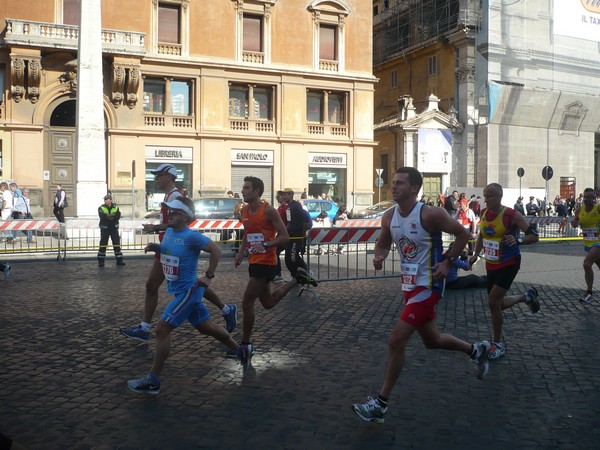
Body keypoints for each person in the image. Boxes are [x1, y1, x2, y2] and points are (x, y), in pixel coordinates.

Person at [351, 167, 491, 424]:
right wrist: (379, 254)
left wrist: (448, 262)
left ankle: (380, 404)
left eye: (400, 183)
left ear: (414, 188)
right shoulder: (389, 216)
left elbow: (463, 234)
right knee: (432, 340)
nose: (393, 187)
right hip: (409, 285)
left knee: (396, 340)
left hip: (429, 286)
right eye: (393, 182)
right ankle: (476, 350)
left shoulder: (430, 214)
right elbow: (383, 241)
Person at [127, 196, 240, 395]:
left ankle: (153, 380)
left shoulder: (192, 237)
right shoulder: (170, 231)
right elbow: (171, 250)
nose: (170, 214)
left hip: (189, 293)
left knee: (162, 329)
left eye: (175, 212)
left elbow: (216, 250)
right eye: (170, 211)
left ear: (186, 216)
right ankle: (240, 350)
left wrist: (208, 276)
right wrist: (157, 248)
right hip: (180, 291)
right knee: (207, 328)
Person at [120, 163, 238, 342]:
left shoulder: (176, 196)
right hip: (167, 246)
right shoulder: (169, 195)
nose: (156, 178)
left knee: (155, 286)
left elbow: (186, 220)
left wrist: (157, 227)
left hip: (173, 247)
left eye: (159, 175)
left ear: (170, 177)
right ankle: (226, 310)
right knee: (192, 286)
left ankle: (146, 328)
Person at [233, 176, 318, 367]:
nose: (243, 190)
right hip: (254, 261)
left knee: (247, 301)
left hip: (267, 262)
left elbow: (285, 237)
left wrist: (267, 243)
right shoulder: (245, 210)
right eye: (243, 187)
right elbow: (247, 234)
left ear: (256, 191)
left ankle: (246, 344)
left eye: (246, 188)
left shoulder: (268, 210)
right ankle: (298, 278)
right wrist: (240, 253)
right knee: (269, 302)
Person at [468, 183, 540, 360]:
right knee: (497, 305)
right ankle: (525, 297)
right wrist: (475, 254)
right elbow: (482, 236)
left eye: (490, 196)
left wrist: (518, 240)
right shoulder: (484, 213)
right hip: (491, 264)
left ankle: (497, 343)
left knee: (493, 302)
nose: (486, 200)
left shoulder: (511, 215)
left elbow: (534, 236)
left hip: (509, 263)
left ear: (499, 197)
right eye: (485, 196)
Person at [570, 187, 600, 303]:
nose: (586, 199)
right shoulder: (579, 210)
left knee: (586, 264)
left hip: (598, 242)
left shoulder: (598, 209)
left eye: (588, 197)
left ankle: (589, 291)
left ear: (594, 198)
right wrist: (574, 223)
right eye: (584, 197)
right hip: (588, 242)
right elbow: (574, 223)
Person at [281, 188, 314, 282]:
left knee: (293, 256)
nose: (284, 196)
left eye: (286, 194)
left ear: (291, 195)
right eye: (283, 194)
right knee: (288, 258)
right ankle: (294, 274)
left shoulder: (296, 206)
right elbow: (289, 220)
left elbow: (306, 220)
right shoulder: (288, 206)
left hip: (297, 235)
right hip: (290, 235)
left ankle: (307, 271)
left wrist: (303, 233)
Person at [97, 194, 125, 267]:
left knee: (116, 243)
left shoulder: (116, 207)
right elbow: (101, 216)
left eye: (107, 199)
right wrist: (108, 217)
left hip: (113, 228)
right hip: (105, 228)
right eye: (105, 199)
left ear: (111, 200)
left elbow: (117, 216)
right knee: (103, 244)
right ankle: (101, 262)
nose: (105, 201)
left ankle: (119, 261)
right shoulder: (101, 207)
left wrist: (108, 217)